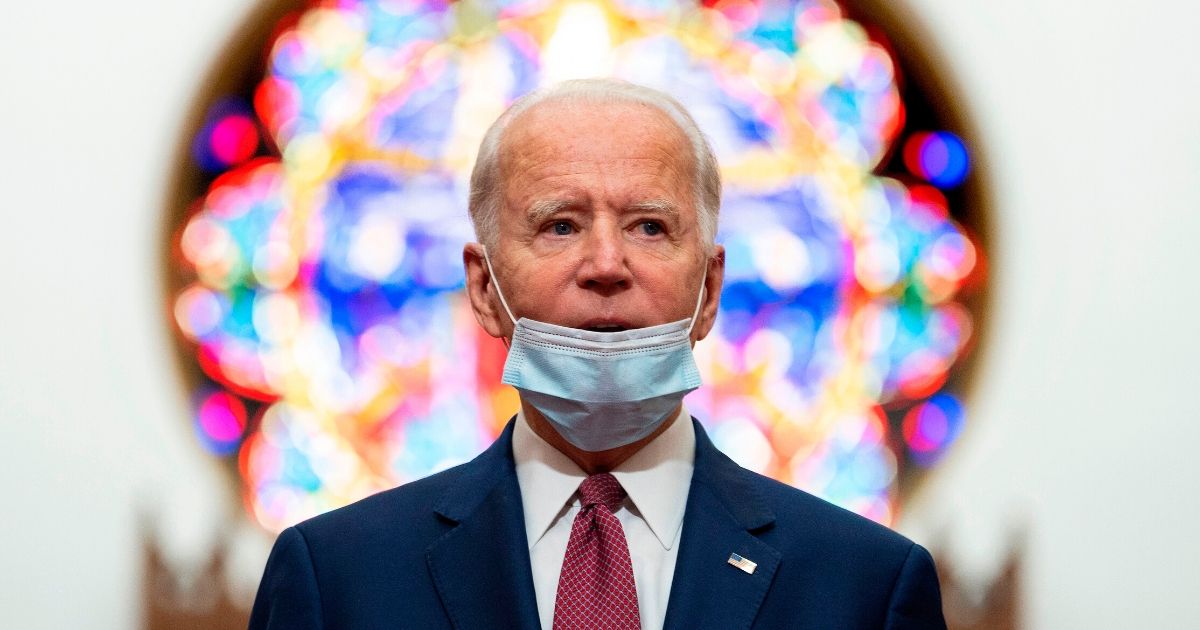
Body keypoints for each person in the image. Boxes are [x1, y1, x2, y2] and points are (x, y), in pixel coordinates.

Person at [249, 78, 946, 629]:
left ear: (708, 290)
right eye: (560, 225)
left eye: (648, 226)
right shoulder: (340, 580)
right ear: (484, 289)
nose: (606, 264)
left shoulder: (863, 587)